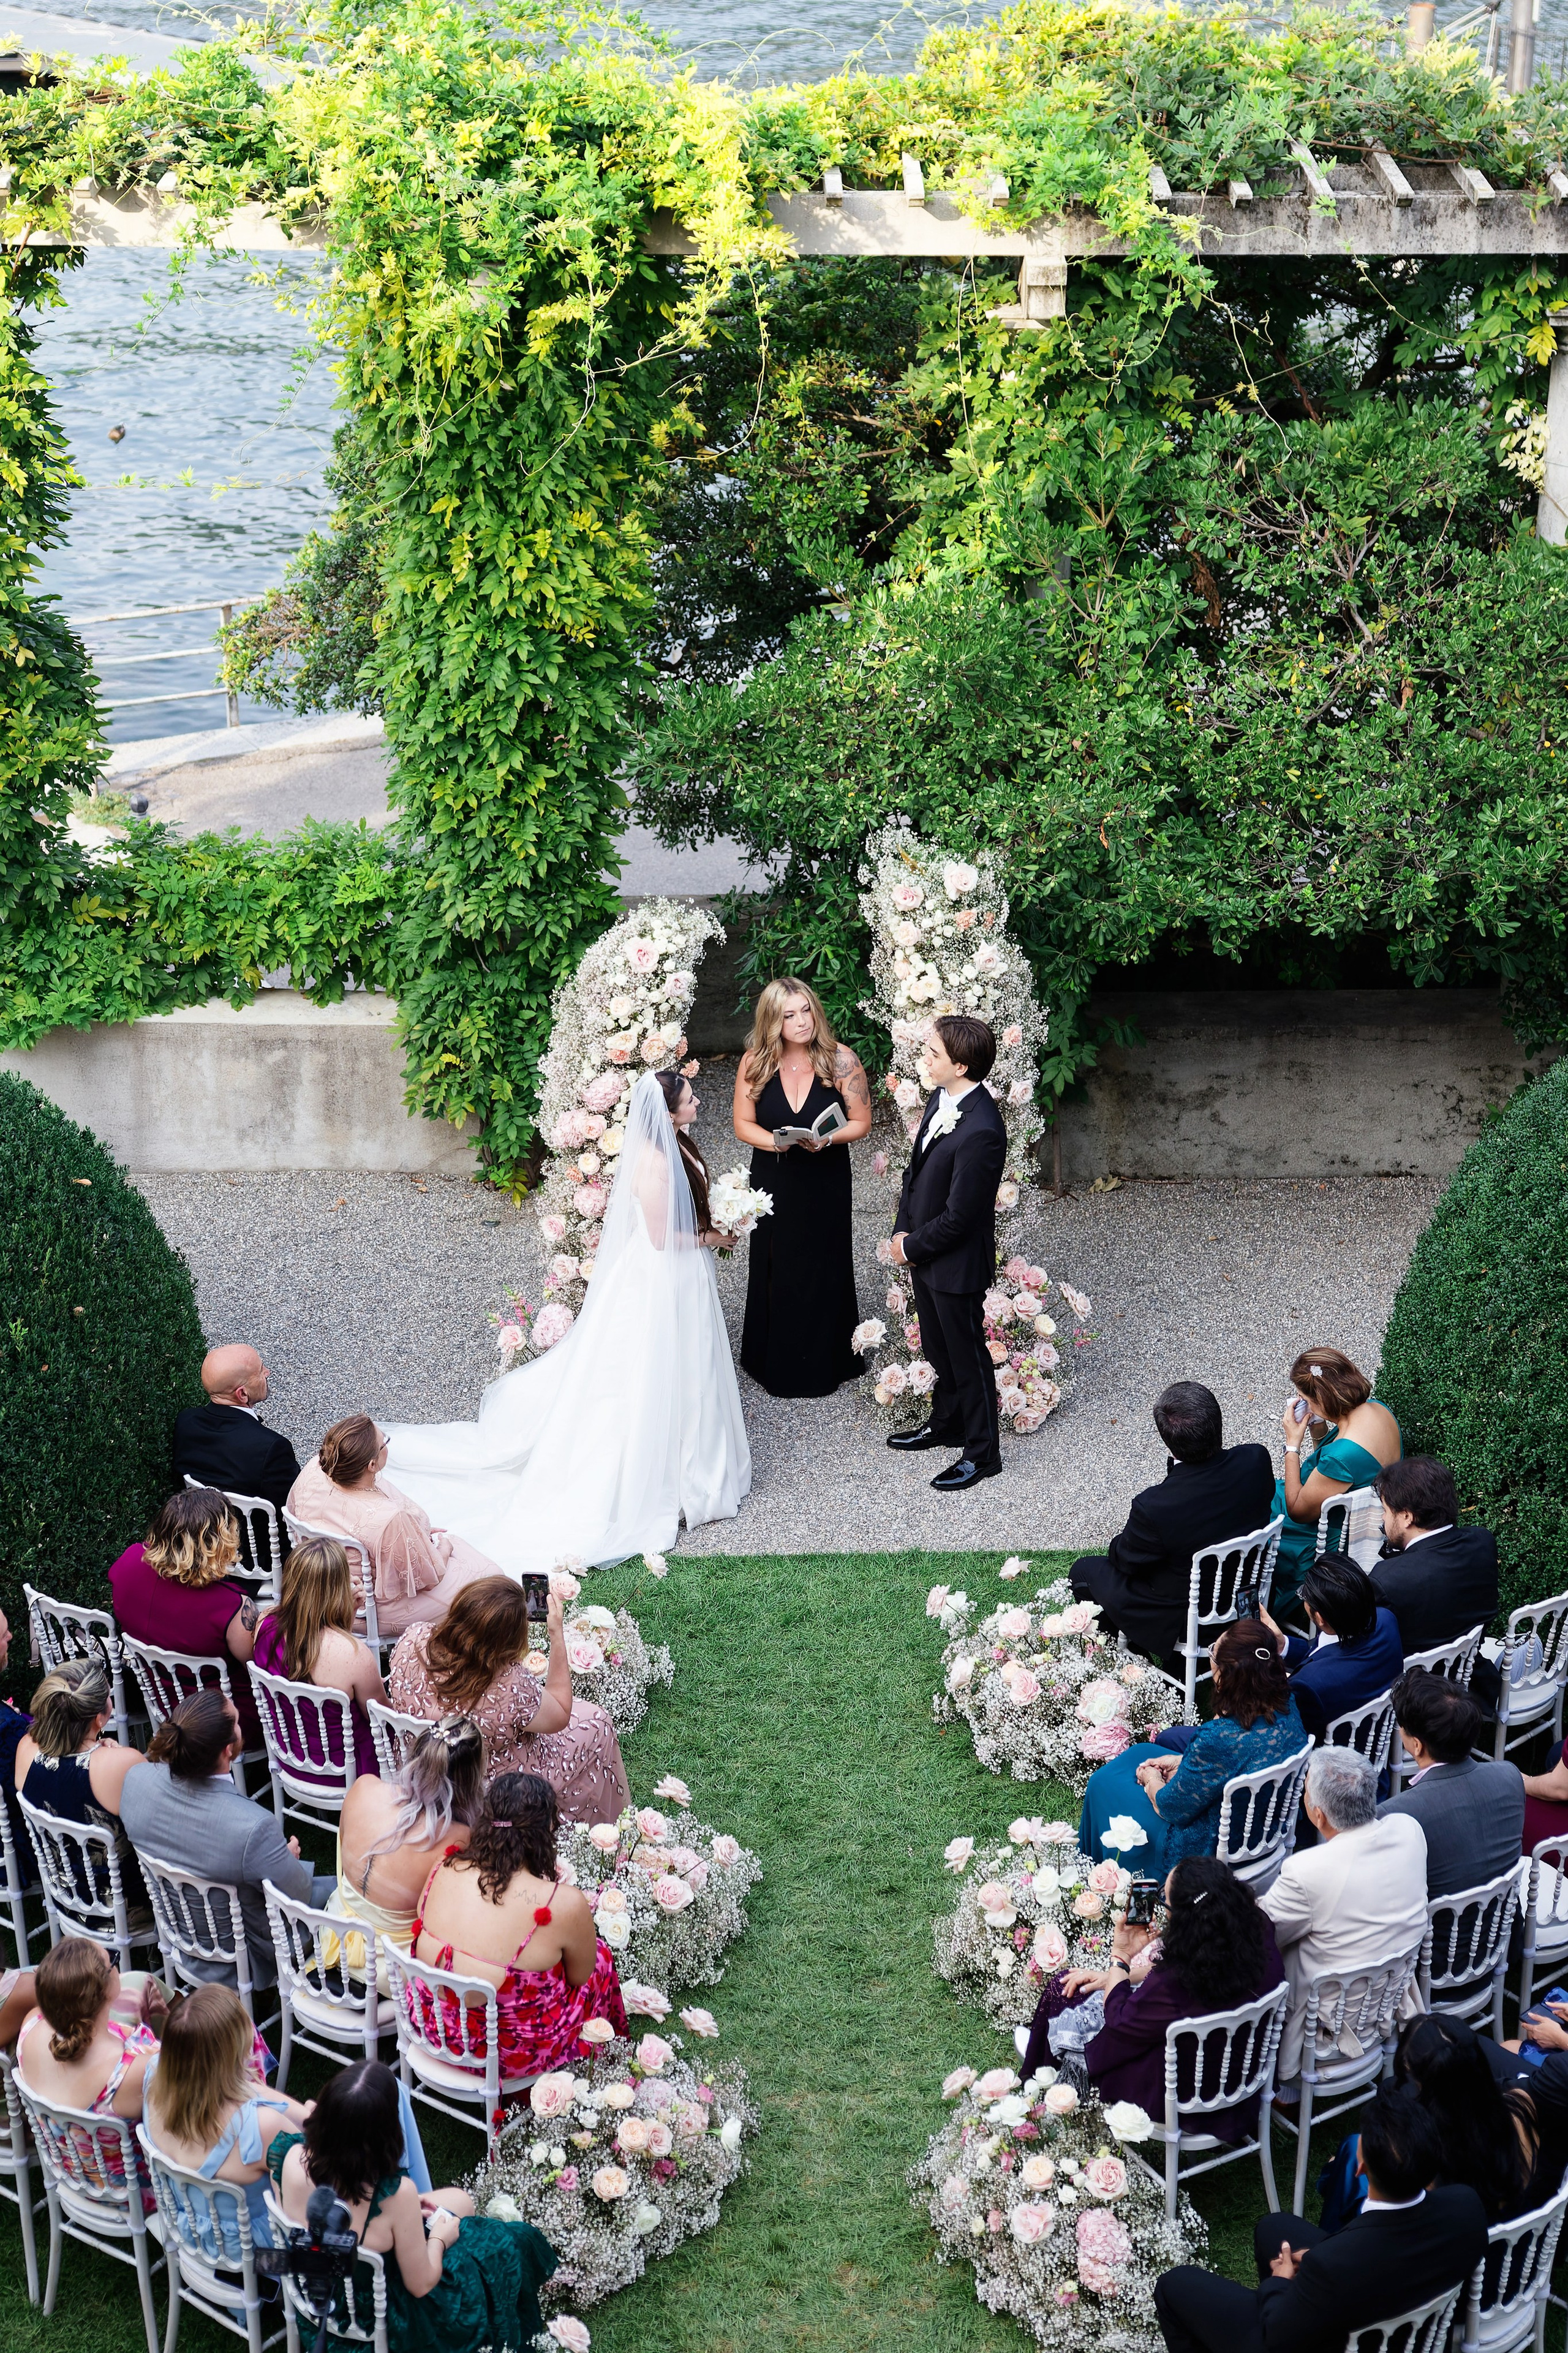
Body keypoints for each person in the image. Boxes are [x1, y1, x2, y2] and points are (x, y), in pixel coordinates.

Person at [383, 1071, 752, 1569]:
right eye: (690, 1098)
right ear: (667, 1113)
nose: (699, 1100)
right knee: (657, 1368)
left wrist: (726, 1215)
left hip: (683, 1277)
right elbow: (664, 1240)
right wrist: (715, 1238)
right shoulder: (655, 1164)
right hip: (663, 1279)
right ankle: (664, 1474)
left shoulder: (679, 1144)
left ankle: (695, 1459)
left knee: (692, 1363)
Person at [1153, 2085, 1488, 2353]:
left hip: (1334, 2338)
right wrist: (1317, 2262)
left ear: (1360, 2168)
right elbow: (1378, 2257)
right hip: (1402, 2318)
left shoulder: (1332, 2266)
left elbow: (1276, 2340)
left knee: (1175, 2285)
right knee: (1274, 2228)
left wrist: (1280, 2284)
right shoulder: (1466, 2206)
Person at [268, 2058, 557, 2353]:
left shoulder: (290, 2157)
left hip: (318, 2300)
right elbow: (421, 2284)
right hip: (381, 2321)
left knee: (461, 2200)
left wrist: (402, 2217)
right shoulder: (394, 2195)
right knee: (506, 2242)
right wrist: (440, 2239)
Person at [1020, 1857, 1284, 2134]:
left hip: (1181, 2093)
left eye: (1165, 1903)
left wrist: (1120, 1959)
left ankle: (1045, 2079)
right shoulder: (1256, 1928)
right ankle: (1045, 2062)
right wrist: (1114, 1978)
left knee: (1062, 1991)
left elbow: (1120, 2020)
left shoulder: (1175, 1982)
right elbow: (1182, 1972)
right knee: (1083, 1992)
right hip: (1243, 2076)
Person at [409, 1771, 627, 2082]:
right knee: (601, 1958)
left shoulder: (444, 1867)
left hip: (430, 2026)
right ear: (544, 1832)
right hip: (505, 2055)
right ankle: (599, 2068)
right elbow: (580, 1977)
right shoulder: (563, 1903)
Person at [118, 1689, 334, 1990]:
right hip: (246, 1956)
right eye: (237, 1723)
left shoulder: (135, 1780)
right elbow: (297, 1895)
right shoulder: (254, 1828)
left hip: (178, 1933)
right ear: (227, 1751)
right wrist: (285, 1858)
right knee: (345, 1892)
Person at [388, 1580, 629, 1826]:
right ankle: (592, 1830)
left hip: (417, 1764)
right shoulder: (510, 1684)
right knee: (597, 1722)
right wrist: (557, 1635)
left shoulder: (413, 1637)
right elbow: (560, 1712)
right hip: (485, 1787)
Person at [1079, 1620, 1308, 1877]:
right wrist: (1182, 1761)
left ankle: (1100, 1871)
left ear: (1224, 1677)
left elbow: (1169, 1807)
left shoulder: (1218, 1738)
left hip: (1212, 1846)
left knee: (1103, 1784)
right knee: (1142, 1751)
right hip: (1265, 1825)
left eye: (1212, 1653)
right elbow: (1246, 1761)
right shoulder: (1289, 1703)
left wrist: (1151, 1778)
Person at [887, 1013, 1009, 1493]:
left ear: (960, 1065)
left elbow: (962, 1216)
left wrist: (910, 1247)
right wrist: (902, 1230)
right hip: (924, 1253)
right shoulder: (943, 1097)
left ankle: (983, 1453)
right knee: (937, 1348)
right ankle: (948, 1423)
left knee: (967, 1355)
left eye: (933, 1053)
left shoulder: (982, 1130)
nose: (926, 1059)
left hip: (954, 1262)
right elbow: (914, 1175)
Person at [1069, 1383, 1276, 1664]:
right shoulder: (1256, 1459)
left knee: (1084, 1570)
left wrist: (1120, 1542)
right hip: (1246, 1594)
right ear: (1218, 1423)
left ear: (1169, 1444)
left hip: (1189, 1618)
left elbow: (1126, 1562)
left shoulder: (1155, 1506)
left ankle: (1136, 1659)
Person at [733, 976, 870, 1397]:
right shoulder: (755, 1062)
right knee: (775, 1261)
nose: (801, 1021)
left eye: (806, 1010)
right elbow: (742, 1124)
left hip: (825, 1177)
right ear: (774, 1020)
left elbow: (862, 1123)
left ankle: (828, 1360)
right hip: (774, 1177)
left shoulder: (841, 1061)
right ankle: (771, 1358)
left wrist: (828, 1138)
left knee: (824, 1260)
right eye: (789, 1015)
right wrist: (775, 1140)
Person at [1258, 1747, 1429, 2082]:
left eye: (1306, 1790)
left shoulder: (1306, 1871)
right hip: (1385, 2001)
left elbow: (1261, 1935)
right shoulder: (1407, 1830)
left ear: (1318, 1815)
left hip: (1328, 2022)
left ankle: (1283, 2086)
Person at [1322, 2013, 1561, 2233]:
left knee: (1352, 2151)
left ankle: (1328, 2240)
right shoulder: (1521, 2108)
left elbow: (1401, 2215)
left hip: (1453, 2259)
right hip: (1517, 2247)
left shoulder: (1429, 2154)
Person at [286, 1416, 498, 1642]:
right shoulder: (388, 1519)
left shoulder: (315, 1468)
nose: (387, 1444)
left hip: (317, 1587)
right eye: (384, 1443)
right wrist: (442, 1549)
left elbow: (293, 1509)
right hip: (364, 1607)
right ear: (371, 1465)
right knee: (491, 1579)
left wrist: (412, 1537)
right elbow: (427, 1579)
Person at [141, 1984, 305, 2253]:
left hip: (186, 2227)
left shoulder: (152, 2077)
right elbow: (298, 2209)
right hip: (254, 2253)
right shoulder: (262, 2127)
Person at [109, 1486, 263, 1747]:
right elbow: (260, 1662)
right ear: (219, 1544)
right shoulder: (231, 1606)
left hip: (160, 1700)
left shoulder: (128, 1563)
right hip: (219, 1719)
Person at [15, 1938, 165, 2195]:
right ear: (107, 1990)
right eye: (112, 1961)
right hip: (133, 2193)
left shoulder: (30, 2026)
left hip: (70, 2177)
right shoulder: (133, 2070)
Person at [335, 1715, 485, 1957]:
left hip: (334, 1932)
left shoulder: (364, 1785)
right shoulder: (461, 1838)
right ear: (471, 1779)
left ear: (417, 1754)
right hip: (392, 1965)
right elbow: (449, 1918)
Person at [14, 1658, 148, 1912]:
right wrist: (113, 1754)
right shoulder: (123, 1764)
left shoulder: (25, 1749)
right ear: (99, 1719)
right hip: (124, 1906)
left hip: (64, 1894)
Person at [1271, 1346, 1401, 1605]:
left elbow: (1297, 1510)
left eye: (1304, 1398)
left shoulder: (1342, 1456)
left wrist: (1292, 1445)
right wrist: (1318, 1424)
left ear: (1320, 1400)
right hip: (1353, 1515)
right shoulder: (1377, 1409)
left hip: (1324, 1534)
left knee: (1253, 1511)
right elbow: (1333, 1474)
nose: (1301, 1402)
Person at [254, 1535, 387, 1784]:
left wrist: (348, 1613)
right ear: (336, 1590)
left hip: (290, 1755)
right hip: (347, 1771)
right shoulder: (354, 1655)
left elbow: (319, 1643)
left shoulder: (265, 1622)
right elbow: (382, 1720)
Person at [1379, 1669, 1525, 1897]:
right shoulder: (1510, 1776)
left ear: (1417, 1746)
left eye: (1402, 1728)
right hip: (1505, 1927)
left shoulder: (1393, 1815)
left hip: (1438, 1931)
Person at [1373, 1457, 1501, 1706]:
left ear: (1407, 1517)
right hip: (1472, 1680)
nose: (1383, 1519)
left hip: (1417, 1699)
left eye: (1386, 1511)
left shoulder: (1387, 1579)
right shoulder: (1482, 1541)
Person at [1259, 1554, 1403, 1742]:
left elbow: (1286, 1737)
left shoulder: (1308, 1686)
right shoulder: (1386, 1621)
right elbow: (1329, 1655)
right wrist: (1284, 1645)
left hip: (1331, 1762)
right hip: (1374, 1740)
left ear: (1319, 1619)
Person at [172, 1343, 301, 1517]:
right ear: (242, 1394)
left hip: (200, 1529)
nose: (268, 1372)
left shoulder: (186, 1421)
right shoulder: (272, 1447)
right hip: (256, 1540)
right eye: (261, 1371)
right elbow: (291, 1508)